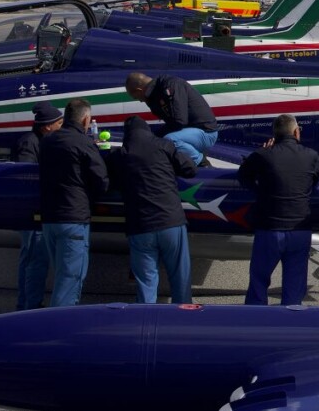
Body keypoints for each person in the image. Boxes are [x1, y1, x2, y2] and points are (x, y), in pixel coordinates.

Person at [108, 115, 197, 304]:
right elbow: (190, 169)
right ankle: (183, 320)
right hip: (170, 222)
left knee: (146, 282)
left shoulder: (119, 155)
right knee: (180, 277)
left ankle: (147, 324)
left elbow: (109, 183)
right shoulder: (163, 145)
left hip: (140, 226)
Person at [238, 114, 319, 305]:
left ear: (274, 134)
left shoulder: (262, 155)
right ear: (296, 132)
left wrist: (261, 190)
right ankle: (290, 326)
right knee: (294, 285)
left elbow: (244, 177)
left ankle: (256, 323)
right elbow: (314, 182)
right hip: (300, 228)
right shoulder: (312, 155)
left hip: (269, 228)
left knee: (259, 281)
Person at [38, 98, 109, 307]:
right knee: (70, 279)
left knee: (61, 274)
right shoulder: (84, 143)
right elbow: (101, 180)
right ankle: (59, 328)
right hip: (74, 219)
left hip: (49, 218)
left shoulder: (47, 141)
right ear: (86, 119)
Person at [12, 101, 64, 310]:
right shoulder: (30, 143)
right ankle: (30, 305)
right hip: (35, 211)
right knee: (36, 260)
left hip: (37, 209)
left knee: (31, 258)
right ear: (47, 126)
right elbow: (29, 176)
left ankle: (25, 303)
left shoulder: (41, 140)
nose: (63, 126)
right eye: (60, 123)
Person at [124, 72, 218, 166]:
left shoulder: (171, 86)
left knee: (170, 140)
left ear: (139, 90)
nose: (140, 101)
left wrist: (153, 138)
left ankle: (202, 163)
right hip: (191, 132)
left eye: (136, 97)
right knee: (160, 142)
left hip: (206, 132)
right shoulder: (156, 93)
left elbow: (179, 121)